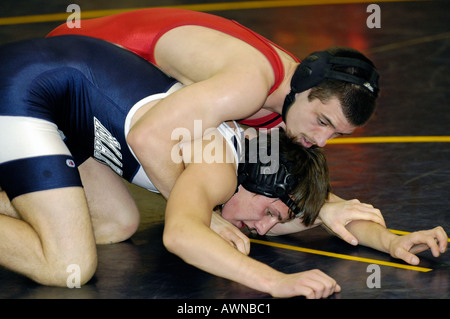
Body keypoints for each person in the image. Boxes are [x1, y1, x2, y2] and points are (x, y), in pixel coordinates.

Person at [0, 36, 446, 298]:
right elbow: (179, 234)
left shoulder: (256, 169)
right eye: (270, 214)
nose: (264, 228)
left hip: (71, 117)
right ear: (255, 181)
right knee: (66, 266)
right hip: (29, 84)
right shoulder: (219, 168)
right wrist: (275, 283)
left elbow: (326, 215)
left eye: (277, 221)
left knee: (117, 222)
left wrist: (393, 240)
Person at [47, 8, 386, 246]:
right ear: (308, 87)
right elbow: (147, 137)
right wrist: (200, 216)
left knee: (115, 225)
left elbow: (284, 180)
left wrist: (388, 241)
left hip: (90, 108)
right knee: (191, 161)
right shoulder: (248, 86)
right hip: (63, 67)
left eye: (336, 134)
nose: (322, 141)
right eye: (323, 122)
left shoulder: (288, 95)